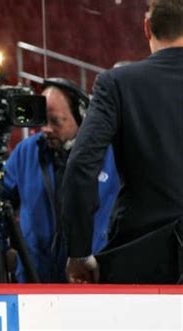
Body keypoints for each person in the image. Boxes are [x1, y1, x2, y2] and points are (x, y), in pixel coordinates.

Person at [62, 0, 183, 284]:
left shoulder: (117, 83)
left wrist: (78, 252)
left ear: (146, 28)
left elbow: (81, 165)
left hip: (142, 262)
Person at [3, 78, 119, 283]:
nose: (46, 129)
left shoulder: (110, 154)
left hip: (93, 280)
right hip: (34, 281)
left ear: (82, 117)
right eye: (43, 121)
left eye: (55, 121)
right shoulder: (26, 152)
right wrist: (5, 249)